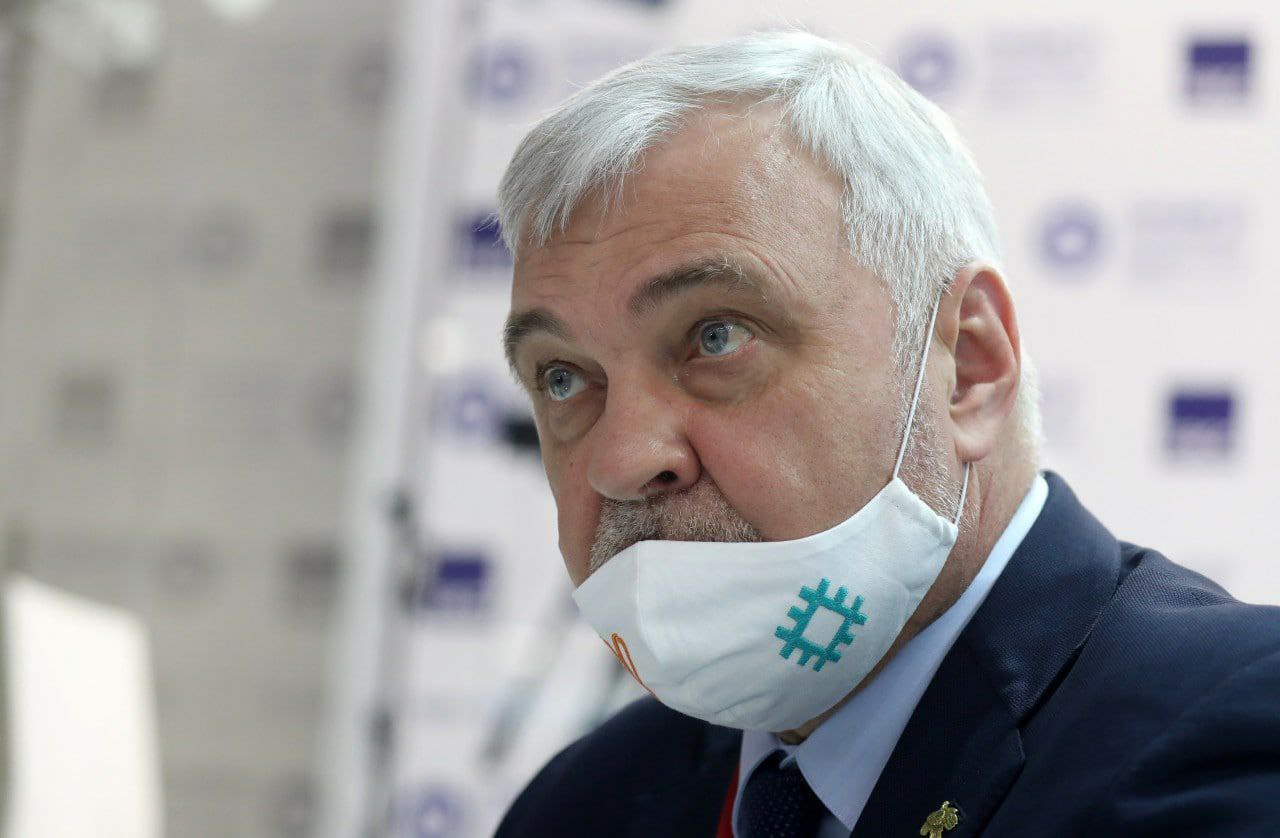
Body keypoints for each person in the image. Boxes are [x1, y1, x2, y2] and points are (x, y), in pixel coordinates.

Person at [492, 30, 1280, 837]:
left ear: (968, 367)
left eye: (716, 337)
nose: (621, 461)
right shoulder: (580, 806)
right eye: (563, 378)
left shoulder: (1237, 737)